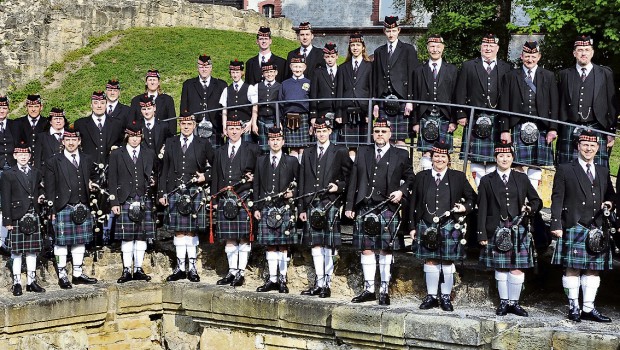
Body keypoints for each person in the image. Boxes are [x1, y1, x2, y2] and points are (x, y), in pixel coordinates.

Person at [345, 117, 414, 305]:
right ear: (373, 133)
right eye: (377, 131)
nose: (380, 135)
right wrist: (350, 205)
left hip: (387, 207)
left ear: (390, 134)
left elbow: (411, 179)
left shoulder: (400, 154)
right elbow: (353, 179)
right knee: (366, 249)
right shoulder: (363, 152)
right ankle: (369, 289)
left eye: (383, 131)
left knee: (386, 249)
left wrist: (401, 191)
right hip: (365, 206)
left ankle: (384, 288)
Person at [550, 130, 615, 323]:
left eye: (593, 146)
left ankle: (588, 307)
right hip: (574, 224)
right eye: (585, 145)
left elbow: (611, 194)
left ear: (597, 148)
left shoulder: (603, 170)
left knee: (593, 270)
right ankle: (574, 307)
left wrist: (610, 203)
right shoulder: (565, 169)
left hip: (597, 227)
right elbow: (557, 198)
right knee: (572, 268)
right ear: (578, 146)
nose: (588, 149)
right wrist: (555, 223)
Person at [477, 143, 542, 317]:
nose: (504, 159)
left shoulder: (521, 178)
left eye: (508, 156)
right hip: (495, 228)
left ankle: (515, 303)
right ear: (495, 158)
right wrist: (482, 233)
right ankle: (504, 302)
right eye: (500, 156)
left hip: (518, 228)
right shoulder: (486, 180)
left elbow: (536, 201)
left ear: (512, 158)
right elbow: (482, 208)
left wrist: (529, 209)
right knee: (501, 268)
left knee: (517, 268)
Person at [410, 141, 475, 311]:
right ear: (431, 158)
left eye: (442, 157)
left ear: (448, 159)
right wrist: (412, 227)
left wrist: (464, 207)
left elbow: (472, 198)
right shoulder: (421, 177)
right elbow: (412, 203)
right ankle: (431, 296)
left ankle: (445, 297)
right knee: (430, 260)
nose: (439, 159)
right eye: (436, 156)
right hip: (426, 224)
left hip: (450, 225)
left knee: (447, 261)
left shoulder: (458, 177)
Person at [298, 117, 352, 298]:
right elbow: (303, 181)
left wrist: (340, 187)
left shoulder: (340, 151)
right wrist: (302, 208)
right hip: (312, 203)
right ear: (314, 132)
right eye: (318, 131)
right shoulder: (307, 153)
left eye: (324, 131)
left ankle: (326, 285)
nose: (321, 134)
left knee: (328, 245)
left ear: (330, 131)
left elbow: (350, 178)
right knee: (315, 244)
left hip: (330, 203)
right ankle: (318, 282)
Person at [158, 113, 214, 282]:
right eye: (183, 123)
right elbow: (164, 170)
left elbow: (216, 165)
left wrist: (206, 176)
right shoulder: (171, 142)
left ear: (195, 125)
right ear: (179, 125)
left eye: (189, 123)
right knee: (179, 231)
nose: (186, 126)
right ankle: (180, 268)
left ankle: (193, 268)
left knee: (191, 231)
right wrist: (162, 193)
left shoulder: (203, 143)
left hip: (194, 192)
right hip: (175, 191)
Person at [499, 41, 558, 190]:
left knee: (536, 164)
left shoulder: (548, 76)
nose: (530, 59)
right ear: (521, 56)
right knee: (518, 164)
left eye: (533, 56)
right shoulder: (511, 76)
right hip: (518, 124)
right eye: (526, 56)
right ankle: (519, 198)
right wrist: (505, 130)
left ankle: (532, 201)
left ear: (539, 57)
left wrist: (552, 128)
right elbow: (504, 104)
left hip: (541, 125)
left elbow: (554, 103)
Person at [454, 34, 512, 187]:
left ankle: (492, 189)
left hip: (497, 119)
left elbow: (508, 96)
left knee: (496, 155)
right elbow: (460, 91)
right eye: (485, 45)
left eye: (491, 46)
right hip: (475, 116)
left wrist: (506, 124)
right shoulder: (468, 66)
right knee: (476, 157)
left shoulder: (506, 68)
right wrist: (461, 113)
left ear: (497, 48)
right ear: (480, 47)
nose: (488, 48)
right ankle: (480, 189)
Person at [45, 126, 98, 289]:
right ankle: (62, 274)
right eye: (67, 140)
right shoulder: (53, 161)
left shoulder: (87, 159)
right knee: (60, 244)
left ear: (79, 141)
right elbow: (49, 188)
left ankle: (77, 273)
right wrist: (52, 210)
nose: (70, 143)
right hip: (62, 207)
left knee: (80, 242)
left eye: (73, 140)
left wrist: (93, 184)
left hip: (82, 205)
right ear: (63, 141)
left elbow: (95, 175)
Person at [212, 115, 260, 287]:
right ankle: (231, 272)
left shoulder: (252, 149)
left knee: (244, 237)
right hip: (225, 199)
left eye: (237, 128)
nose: (234, 131)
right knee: (229, 238)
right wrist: (215, 198)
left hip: (244, 197)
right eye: (230, 129)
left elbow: (259, 173)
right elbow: (216, 176)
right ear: (226, 131)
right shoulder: (219, 151)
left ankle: (240, 272)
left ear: (242, 130)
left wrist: (254, 179)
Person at [556, 35, 618, 168]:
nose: (583, 53)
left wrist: (611, 131)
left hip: (597, 127)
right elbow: (558, 103)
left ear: (592, 52)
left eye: (587, 49)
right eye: (580, 50)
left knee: (598, 171)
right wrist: (556, 128)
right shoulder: (564, 74)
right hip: (569, 127)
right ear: (574, 53)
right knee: (566, 170)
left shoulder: (604, 74)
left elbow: (612, 105)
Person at [109, 123, 157, 283]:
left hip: (143, 198)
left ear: (141, 137)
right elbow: (112, 179)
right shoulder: (117, 154)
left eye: (138, 136)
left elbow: (154, 173)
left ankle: (138, 268)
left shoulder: (149, 153)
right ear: (127, 136)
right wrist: (114, 201)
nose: (135, 139)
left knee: (142, 236)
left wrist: (153, 181)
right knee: (127, 237)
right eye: (132, 136)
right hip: (124, 199)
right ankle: (126, 270)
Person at [253, 127, 299, 293]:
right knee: (270, 245)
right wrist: (257, 207)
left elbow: (300, 183)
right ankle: (272, 279)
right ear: (268, 141)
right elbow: (256, 185)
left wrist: (292, 193)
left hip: (284, 207)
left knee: (283, 245)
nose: (275, 142)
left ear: (283, 142)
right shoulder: (261, 161)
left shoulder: (292, 161)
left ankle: (282, 279)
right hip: (266, 207)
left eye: (278, 139)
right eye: (272, 140)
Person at [1, 144, 46, 295]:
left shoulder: (36, 171)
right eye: (20, 154)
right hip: (16, 216)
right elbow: (5, 198)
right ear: (14, 156)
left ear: (30, 156)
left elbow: (40, 188)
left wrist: (41, 195)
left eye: (26, 154)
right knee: (17, 252)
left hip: (33, 214)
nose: (23, 157)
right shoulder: (8, 174)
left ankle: (32, 281)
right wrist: (7, 220)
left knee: (32, 251)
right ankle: (17, 283)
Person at [412, 35, 458, 171]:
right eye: (432, 46)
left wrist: (453, 120)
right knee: (426, 151)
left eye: (438, 47)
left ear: (443, 48)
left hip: (445, 116)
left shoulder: (452, 70)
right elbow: (414, 96)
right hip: (424, 116)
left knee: (444, 154)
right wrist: (415, 121)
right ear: (427, 48)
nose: (435, 49)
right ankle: (427, 180)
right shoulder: (419, 71)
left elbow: (456, 96)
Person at [372, 16, 419, 146]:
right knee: (385, 137)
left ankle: (401, 165)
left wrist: (410, 100)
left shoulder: (408, 49)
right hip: (383, 98)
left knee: (400, 140)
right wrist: (376, 102)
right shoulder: (378, 51)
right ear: (384, 31)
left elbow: (412, 76)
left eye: (393, 31)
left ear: (399, 30)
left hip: (402, 98)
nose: (391, 34)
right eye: (388, 31)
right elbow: (375, 77)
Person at [180, 54, 228, 147]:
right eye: (201, 67)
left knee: (215, 159)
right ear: (197, 68)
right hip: (194, 128)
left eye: (206, 67)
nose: (204, 69)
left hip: (215, 128)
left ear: (211, 68)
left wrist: (224, 128)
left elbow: (225, 108)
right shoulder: (188, 85)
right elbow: (183, 108)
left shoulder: (221, 85)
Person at [337, 33, 373, 157]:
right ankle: (350, 174)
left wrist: (370, 113)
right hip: (347, 111)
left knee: (363, 146)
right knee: (350, 146)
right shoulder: (342, 67)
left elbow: (371, 90)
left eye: (358, 45)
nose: (355, 48)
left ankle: (361, 173)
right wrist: (339, 113)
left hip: (363, 111)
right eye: (352, 45)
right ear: (349, 48)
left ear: (363, 47)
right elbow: (339, 92)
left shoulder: (369, 66)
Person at [74, 91, 124, 165]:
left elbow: (122, 142)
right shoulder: (80, 124)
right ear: (91, 105)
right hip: (88, 167)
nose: (99, 106)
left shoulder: (117, 123)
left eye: (102, 103)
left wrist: (117, 147)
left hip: (111, 167)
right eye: (96, 103)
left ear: (106, 105)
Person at [280, 53, 312, 158]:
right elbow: (280, 102)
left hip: (304, 117)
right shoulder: (285, 83)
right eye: (295, 66)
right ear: (290, 67)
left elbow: (312, 102)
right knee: (293, 148)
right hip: (288, 117)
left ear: (304, 67)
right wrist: (280, 121)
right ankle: (293, 172)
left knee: (303, 147)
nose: (297, 69)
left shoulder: (309, 82)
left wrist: (311, 121)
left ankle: (302, 171)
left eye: (299, 66)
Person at [219, 60, 259, 143]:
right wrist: (224, 126)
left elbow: (255, 107)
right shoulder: (226, 90)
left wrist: (251, 123)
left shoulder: (250, 88)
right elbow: (224, 109)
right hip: (231, 126)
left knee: (246, 150)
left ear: (242, 73)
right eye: (233, 72)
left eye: (237, 72)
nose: (235, 75)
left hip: (245, 125)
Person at [0, 95, 20, 255]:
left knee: (9, 204)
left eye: (4, 108)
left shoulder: (14, 124)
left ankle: (7, 240)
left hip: (12, 169)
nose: (1, 111)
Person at [130, 69, 177, 135]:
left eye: (154, 80)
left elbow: (172, 122)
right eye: (150, 80)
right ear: (146, 82)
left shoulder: (167, 100)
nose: (152, 82)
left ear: (159, 82)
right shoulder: (136, 100)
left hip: (163, 138)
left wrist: (171, 141)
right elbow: (131, 122)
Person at [309, 42, 339, 144]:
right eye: (327, 56)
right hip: (322, 113)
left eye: (332, 56)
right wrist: (313, 116)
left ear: (337, 56)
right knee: (322, 142)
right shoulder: (317, 72)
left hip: (338, 113)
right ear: (324, 57)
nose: (330, 59)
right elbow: (313, 94)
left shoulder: (342, 70)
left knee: (337, 144)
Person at [255, 59, 282, 153]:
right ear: (263, 74)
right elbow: (254, 105)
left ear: (276, 72)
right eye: (266, 72)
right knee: (263, 147)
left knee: (275, 146)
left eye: (271, 71)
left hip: (274, 119)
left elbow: (282, 105)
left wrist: (280, 121)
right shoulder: (257, 86)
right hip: (261, 119)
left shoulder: (280, 86)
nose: (269, 74)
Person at [15, 94, 49, 162]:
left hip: (42, 163)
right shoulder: (17, 122)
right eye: (30, 106)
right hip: (23, 162)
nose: (33, 109)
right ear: (26, 107)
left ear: (41, 107)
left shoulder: (47, 123)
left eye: (36, 106)